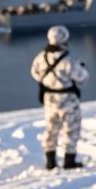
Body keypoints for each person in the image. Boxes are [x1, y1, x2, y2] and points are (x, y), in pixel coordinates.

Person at [31, 25, 90, 170]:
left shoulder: (41, 57)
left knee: (51, 129)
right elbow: (82, 77)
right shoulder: (68, 60)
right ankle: (69, 161)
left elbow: (34, 73)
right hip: (68, 99)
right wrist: (81, 67)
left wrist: (48, 81)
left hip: (50, 99)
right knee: (71, 129)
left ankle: (50, 161)